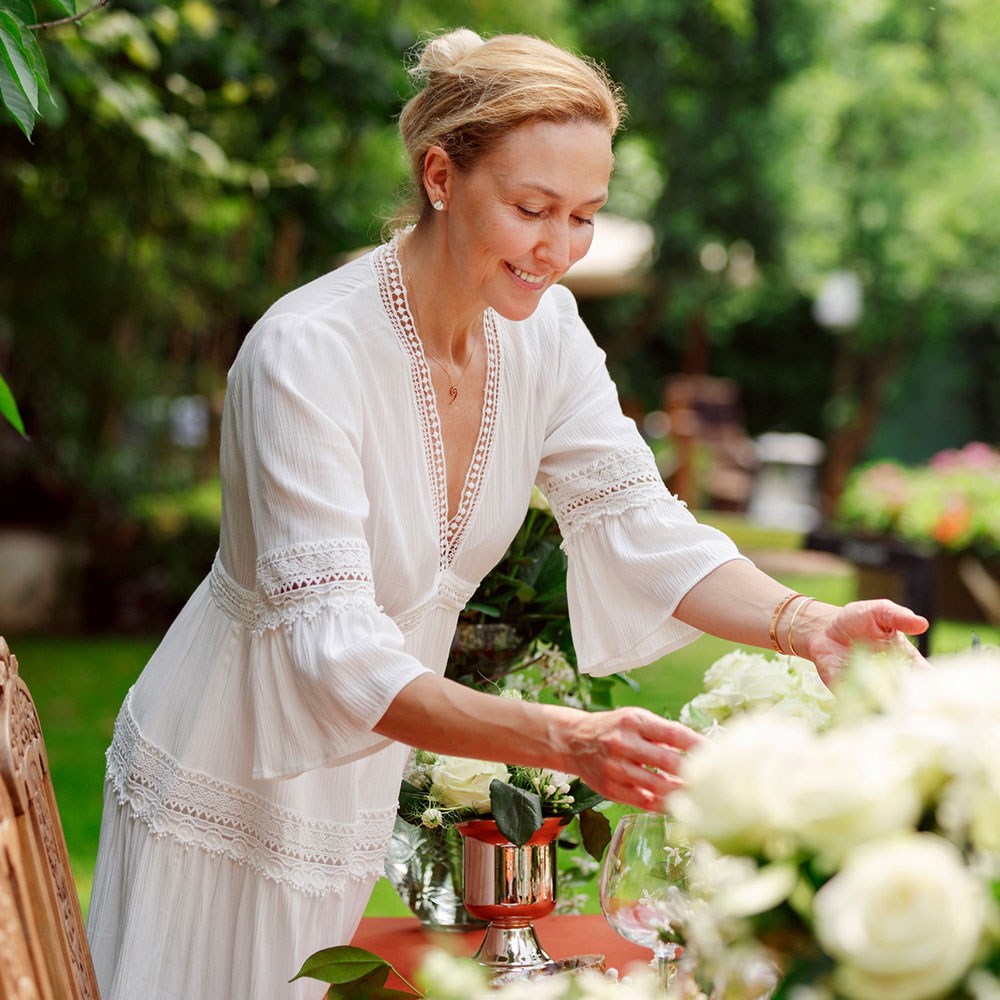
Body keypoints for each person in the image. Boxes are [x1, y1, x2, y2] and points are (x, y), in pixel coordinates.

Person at [85, 28, 928, 1000]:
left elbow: (640, 525)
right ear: (440, 175)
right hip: (223, 767)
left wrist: (810, 623)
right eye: (532, 209)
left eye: (584, 215)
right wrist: (567, 741)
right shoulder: (304, 356)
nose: (559, 250)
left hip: (352, 772)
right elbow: (332, 654)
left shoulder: (544, 334)